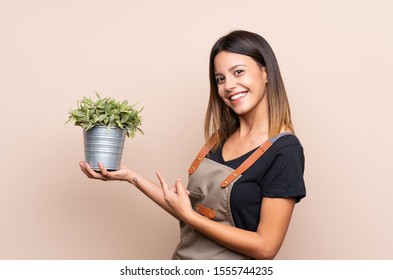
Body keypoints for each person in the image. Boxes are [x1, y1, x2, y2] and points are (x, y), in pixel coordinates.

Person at [79, 30, 306, 260]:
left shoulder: (285, 151)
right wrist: (131, 177)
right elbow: (189, 210)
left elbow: (265, 247)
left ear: (266, 72)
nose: (229, 85)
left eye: (238, 72)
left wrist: (190, 217)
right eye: (220, 79)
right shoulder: (220, 139)